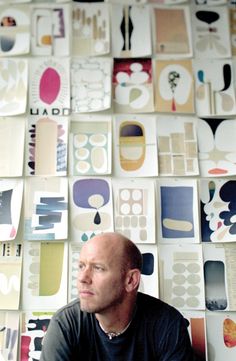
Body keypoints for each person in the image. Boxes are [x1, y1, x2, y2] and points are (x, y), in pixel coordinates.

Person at [40, 232, 194, 361]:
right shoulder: (66, 324)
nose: (82, 278)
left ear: (131, 280)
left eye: (98, 268)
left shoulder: (167, 325)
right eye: (81, 266)